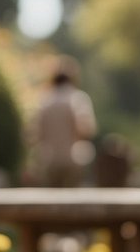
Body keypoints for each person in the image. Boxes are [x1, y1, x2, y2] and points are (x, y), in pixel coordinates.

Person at [28, 58, 97, 187]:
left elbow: (35, 134)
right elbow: (87, 130)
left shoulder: (45, 100)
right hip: (73, 158)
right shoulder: (78, 98)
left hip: (48, 158)